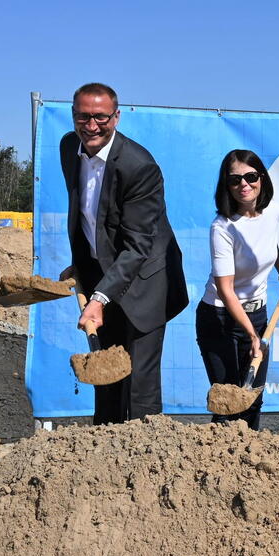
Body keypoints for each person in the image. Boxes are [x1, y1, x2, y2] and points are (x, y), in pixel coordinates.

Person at [59, 82, 188, 425]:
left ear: (116, 117)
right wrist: (83, 264)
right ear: (74, 116)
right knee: (107, 374)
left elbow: (138, 245)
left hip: (145, 282)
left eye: (100, 117)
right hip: (103, 275)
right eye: (83, 117)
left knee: (139, 386)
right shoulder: (69, 147)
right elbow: (92, 215)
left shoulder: (138, 166)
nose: (91, 126)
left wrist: (98, 300)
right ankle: (106, 457)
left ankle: (146, 462)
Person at [196, 149, 279, 428]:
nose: (244, 184)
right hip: (220, 318)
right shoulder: (222, 228)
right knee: (229, 401)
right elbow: (226, 290)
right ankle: (220, 465)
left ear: (262, 179)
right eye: (235, 180)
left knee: (253, 397)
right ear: (226, 186)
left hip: (258, 314)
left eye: (251, 176)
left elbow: (267, 242)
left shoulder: (273, 212)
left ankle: (249, 464)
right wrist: (252, 335)